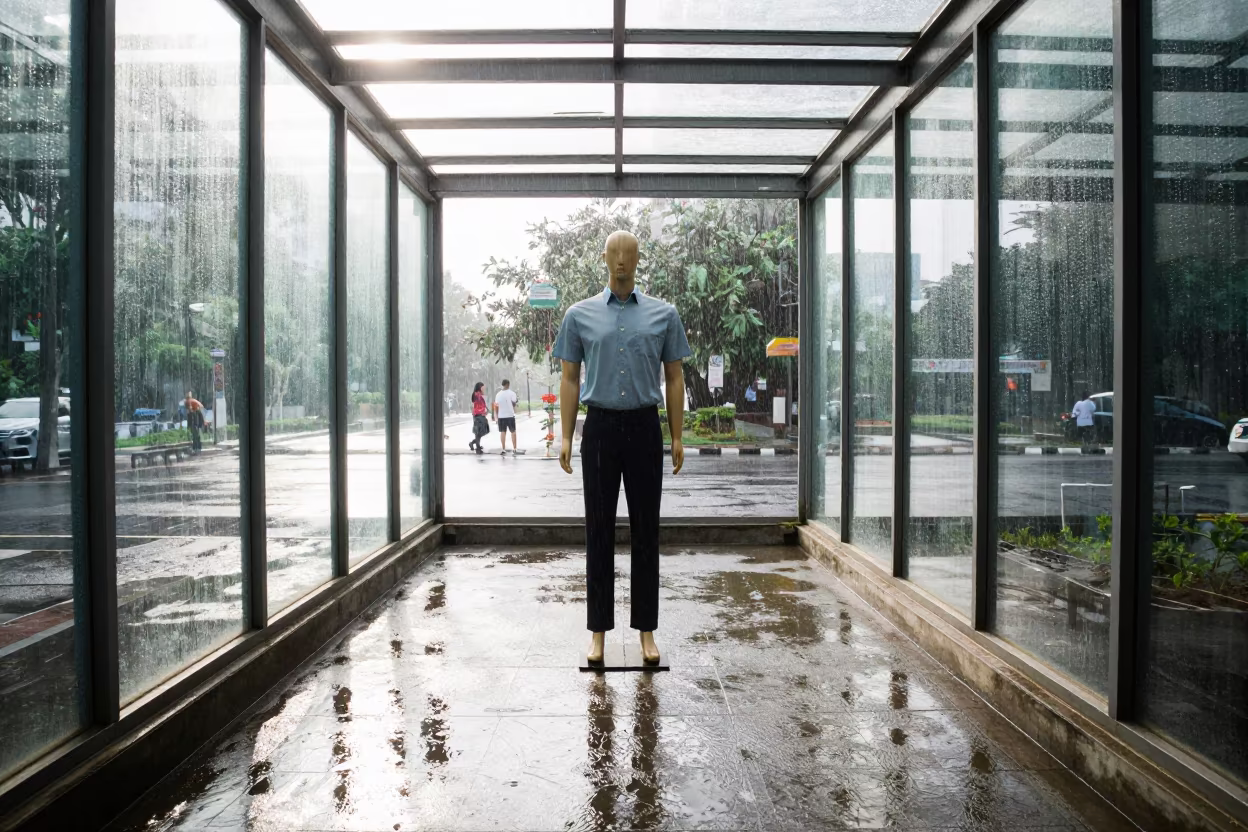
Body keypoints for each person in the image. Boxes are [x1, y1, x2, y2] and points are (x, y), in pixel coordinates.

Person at [554, 229, 692, 666]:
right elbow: (570, 378)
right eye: (613, 253)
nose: (620, 260)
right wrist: (564, 433)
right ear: (603, 258)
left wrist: (677, 434)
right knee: (597, 530)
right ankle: (597, 632)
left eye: (628, 253)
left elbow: (674, 378)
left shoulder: (663, 314)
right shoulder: (579, 315)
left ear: (638, 259)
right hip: (599, 430)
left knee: (646, 532)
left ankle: (646, 632)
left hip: (644, 428)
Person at [493, 379, 520, 454]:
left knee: (502, 432)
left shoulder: (498, 394)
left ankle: (503, 448)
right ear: (508, 384)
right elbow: (514, 402)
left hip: (501, 416)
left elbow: (496, 405)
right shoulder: (512, 393)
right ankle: (515, 448)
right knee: (513, 432)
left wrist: (496, 417)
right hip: (510, 415)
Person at [469, 381, 490, 455]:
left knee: (482, 431)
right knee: (479, 432)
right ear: (479, 387)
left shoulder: (479, 395)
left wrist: (485, 411)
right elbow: (476, 406)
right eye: (483, 387)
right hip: (478, 415)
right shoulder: (477, 395)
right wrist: (483, 412)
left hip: (480, 415)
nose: (484, 388)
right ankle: (477, 447)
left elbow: (481, 405)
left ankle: (474, 443)